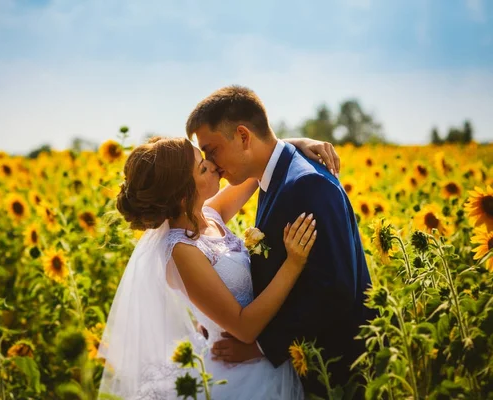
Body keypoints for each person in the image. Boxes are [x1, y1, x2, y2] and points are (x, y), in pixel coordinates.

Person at [97, 134, 341, 399]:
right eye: (203, 167)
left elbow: (259, 165)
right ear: (182, 195)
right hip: (240, 374)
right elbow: (244, 328)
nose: (213, 165)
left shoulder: (209, 215)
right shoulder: (181, 251)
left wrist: (298, 143)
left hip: (261, 360)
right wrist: (293, 264)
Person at [187, 85, 377, 397]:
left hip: (335, 373)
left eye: (213, 150)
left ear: (244, 136)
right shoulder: (277, 174)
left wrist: (261, 347)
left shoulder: (306, 184)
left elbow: (334, 289)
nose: (213, 164)